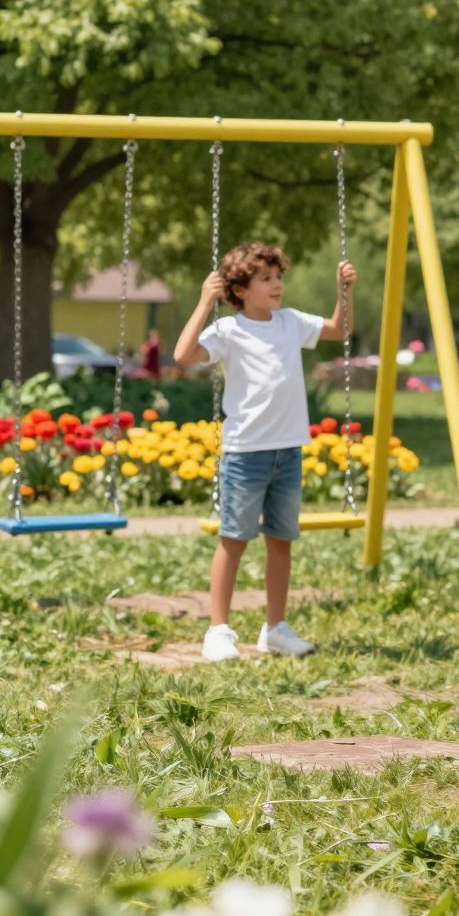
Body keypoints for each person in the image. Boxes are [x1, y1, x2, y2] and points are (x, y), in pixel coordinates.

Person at [173, 243, 357, 662]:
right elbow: (183, 355)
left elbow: (337, 329)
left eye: (279, 277)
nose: (278, 285)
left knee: (281, 540)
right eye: (266, 279)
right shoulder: (228, 331)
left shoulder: (290, 322)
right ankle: (218, 630)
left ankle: (275, 629)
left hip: (288, 450)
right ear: (239, 289)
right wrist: (205, 300)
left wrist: (343, 292)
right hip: (245, 452)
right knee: (234, 539)